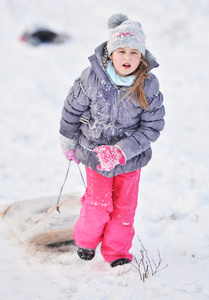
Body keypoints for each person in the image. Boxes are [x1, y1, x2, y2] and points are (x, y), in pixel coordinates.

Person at [59, 13, 165, 267]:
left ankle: (116, 251)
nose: (127, 58)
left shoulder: (147, 86)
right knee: (98, 204)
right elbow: (72, 109)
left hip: (130, 160)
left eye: (134, 53)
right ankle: (86, 240)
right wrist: (68, 140)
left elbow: (152, 127)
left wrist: (122, 151)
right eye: (121, 51)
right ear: (110, 52)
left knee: (124, 209)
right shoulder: (92, 79)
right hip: (95, 155)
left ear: (142, 57)